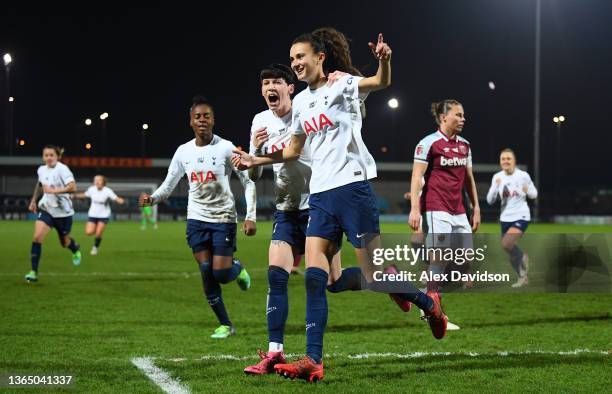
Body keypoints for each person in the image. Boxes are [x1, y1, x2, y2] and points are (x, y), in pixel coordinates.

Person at [234, 28, 447, 382]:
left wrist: (385, 59)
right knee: (317, 280)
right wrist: (256, 161)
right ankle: (313, 360)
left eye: (300, 57)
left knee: (374, 276)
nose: (295, 64)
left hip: (353, 189)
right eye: (292, 60)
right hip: (320, 196)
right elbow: (294, 151)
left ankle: (430, 303)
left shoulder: (342, 83)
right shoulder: (300, 101)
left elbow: (380, 82)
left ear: (320, 57)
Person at [243, 63, 377, 375]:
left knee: (335, 281)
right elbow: (253, 171)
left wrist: (347, 79)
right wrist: (257, 150)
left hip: (318, 207)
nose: (269, 88)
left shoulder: (307, 108)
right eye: (265, 84)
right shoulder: (260, 121)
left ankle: (380, 282)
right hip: (286, 210)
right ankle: (275, 352)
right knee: (277, 275)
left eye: (277, 82)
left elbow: (349, 110)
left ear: (291, 88)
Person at [139, 95, 257, 339]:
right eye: (197, 117)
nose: (202, 120)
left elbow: (249, 181)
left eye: (206, 116)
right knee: (206, 269)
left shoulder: (226, 147)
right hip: (196, 220)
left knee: (221, 273)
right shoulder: (183, 152)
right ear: (190, 122)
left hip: (223, 218)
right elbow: (169, 184)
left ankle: (237, 268)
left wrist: (251, 216)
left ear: (213, 120)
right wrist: (153, 199)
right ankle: (226, 324)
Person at [408, 99, 480, 302]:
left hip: (459, 210)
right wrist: (414, 209)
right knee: (440, 254)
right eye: (458, 115)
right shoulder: (428, 143)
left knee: (466, 259)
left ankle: (430, 284)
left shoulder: (465, 145)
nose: (462, 119)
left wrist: (476, 208)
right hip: (435, 207)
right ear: (443, 117)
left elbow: (469, 180)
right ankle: (431, 299)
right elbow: (416, 177)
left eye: (463, 115)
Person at [25, 145, 82, 282]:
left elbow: (73, 187)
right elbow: (40, 185)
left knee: (64, 243)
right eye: (46, 155)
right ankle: (33, 272)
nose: (49, 158)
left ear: (58, 157)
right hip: (47, 210)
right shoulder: (41, 170)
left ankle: (74, 248)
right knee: (37, 237)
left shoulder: (62, 169)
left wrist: (54, 191)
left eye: (52, 155)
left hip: (63, 213)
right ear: (43, 157)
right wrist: (33, 201)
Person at [486, 148, 537, 288]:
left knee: (506, 244)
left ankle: (523, 257)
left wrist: (528, 191)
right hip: (505, 218)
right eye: (503, 159)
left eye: (508, 158)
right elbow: (490, 200)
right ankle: (522, 277)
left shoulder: (523, 175)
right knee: (509, 250)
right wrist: (495, 186)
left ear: (514, 161)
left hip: (521, 216)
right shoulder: (497, 177)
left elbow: (534, 194)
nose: (506, 161)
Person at [73, 175, 125, 255]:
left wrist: (120, 200)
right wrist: (75, 196)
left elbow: (115, 198)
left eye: (99, 180)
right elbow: (85, 194)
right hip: (93, 214)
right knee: (88, 232)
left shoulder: (107, 190)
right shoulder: (91, 189)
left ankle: (95, 247)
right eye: (95, 180)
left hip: (104, 215)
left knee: (98, 233)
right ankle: (96, 230)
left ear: (103, 182)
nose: (97, 181)